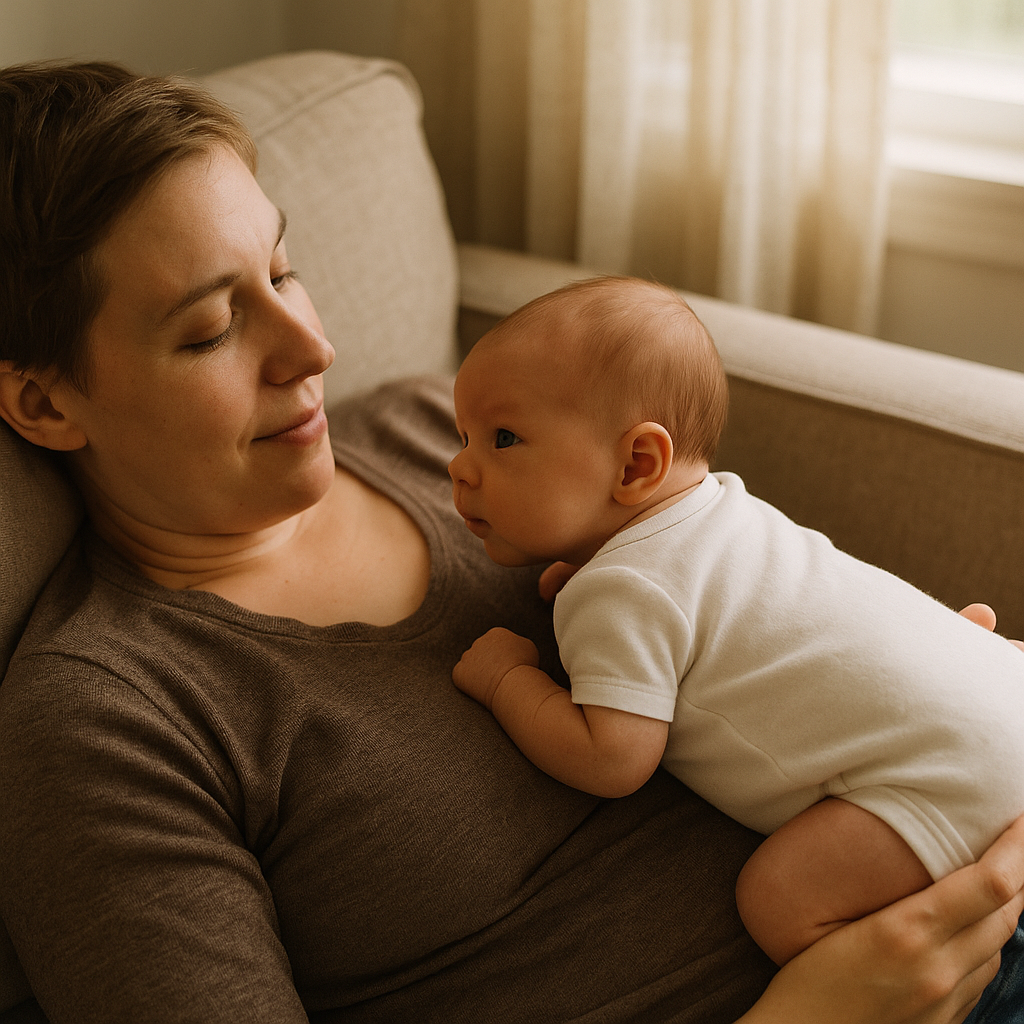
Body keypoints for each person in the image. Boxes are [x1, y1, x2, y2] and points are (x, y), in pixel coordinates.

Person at [0, 61, 1021, 1024]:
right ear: (45, 403)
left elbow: (745, 591)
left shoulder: (430, 433)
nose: (314, 349)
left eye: (283, 268)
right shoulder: (106, 720)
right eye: (213, 328)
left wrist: (904, 670)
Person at [448, 277, 1024, 1011]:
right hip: (997, 684)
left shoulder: (619, 593)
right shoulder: (721, 508)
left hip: (952, 783)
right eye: (462, 437)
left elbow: (613, 758)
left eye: (502, 439)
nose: (461, 468)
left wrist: (508, 682)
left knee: (778, 899)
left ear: (635, 466)